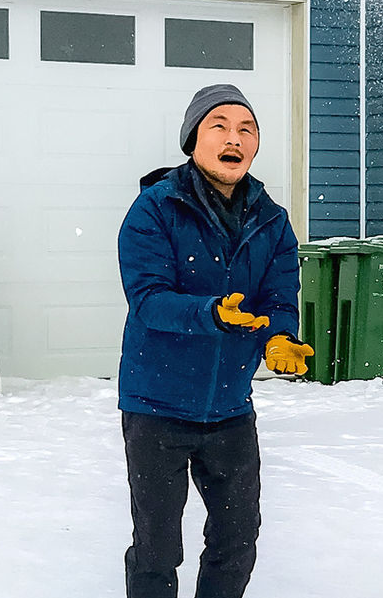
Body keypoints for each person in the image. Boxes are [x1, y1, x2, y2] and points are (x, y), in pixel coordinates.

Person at [116, 84, 313, 598]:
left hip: (229, 407)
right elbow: (148, 300)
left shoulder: (272, 219)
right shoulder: (155, 209)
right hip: (156, 405)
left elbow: (279, 297)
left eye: (246, 129)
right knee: (157, 548)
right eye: (219, 126)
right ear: (193, 140)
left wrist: (279, 339)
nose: (234, 138)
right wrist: (211, 315)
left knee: (237, 540)